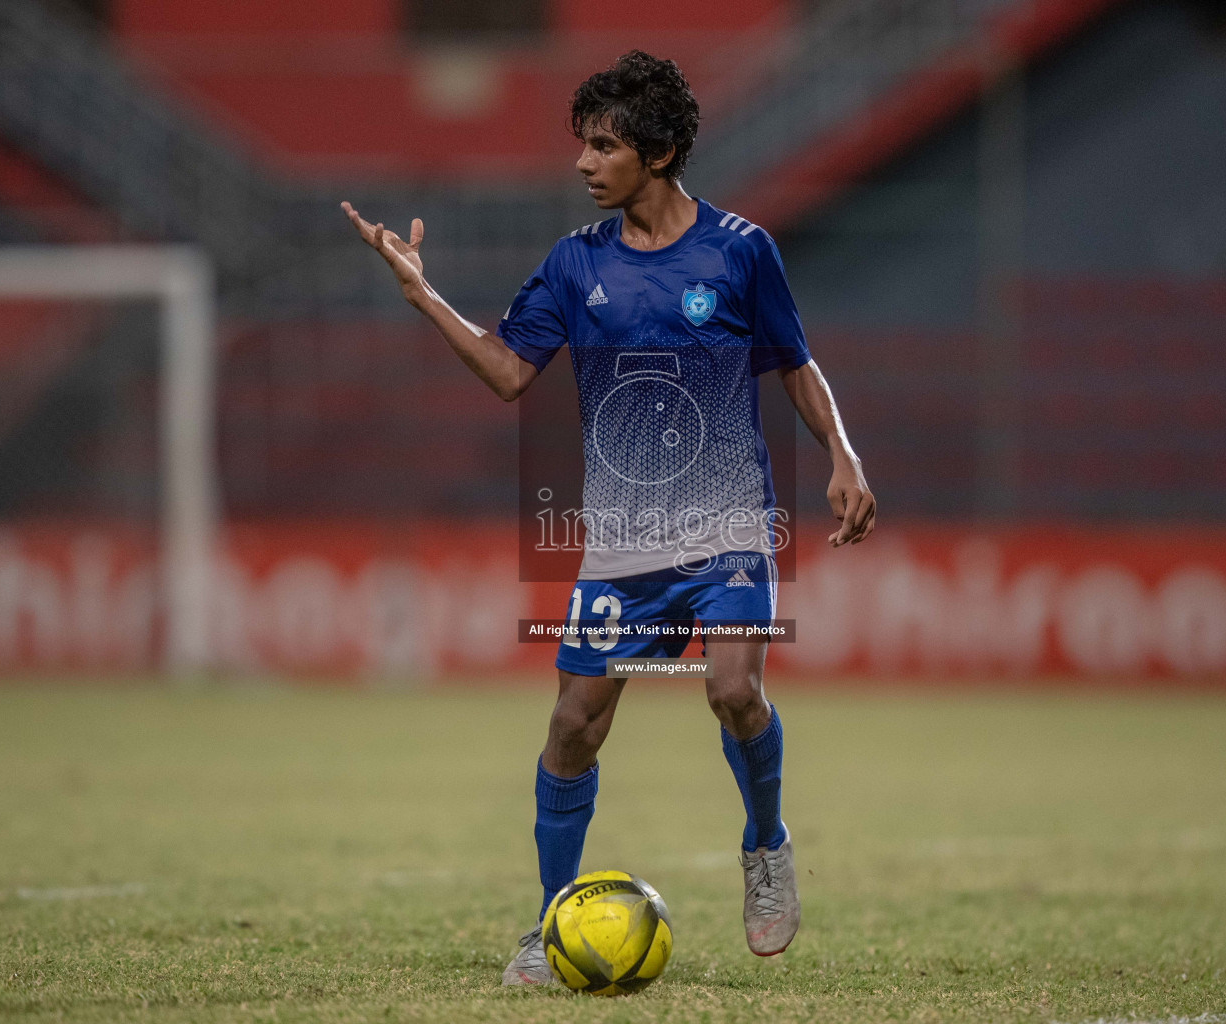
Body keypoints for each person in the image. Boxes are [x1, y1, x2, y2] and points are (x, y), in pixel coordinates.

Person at [342, 50, 875, 985]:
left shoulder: (740, 249)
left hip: (727, 528)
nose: (585, 163)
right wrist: (424, 296)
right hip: (623, 547)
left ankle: (765, 845)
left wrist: (843, 452)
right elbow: (509, 372)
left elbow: (794, 358)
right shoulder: (572, 264)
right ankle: (551, 922)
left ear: (660, 152)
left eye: (605, 146)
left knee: (734, 691)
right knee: (575, 724)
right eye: (582, 145)